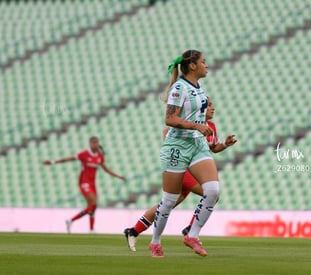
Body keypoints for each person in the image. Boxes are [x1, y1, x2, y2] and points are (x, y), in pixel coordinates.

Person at [123, 97, 237, 252]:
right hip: (183, 168)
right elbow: (167, 131)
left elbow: (213, 148)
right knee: (210, 194)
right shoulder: (190, 122)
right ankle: (190, 231)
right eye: (209, 105)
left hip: (194, 171)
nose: (213, 108)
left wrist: (225, 144)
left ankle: (134, 230)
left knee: (168, 204)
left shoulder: (211, 126)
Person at [144, 49, 221, 258]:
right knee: (169, 200)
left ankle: (192, 235)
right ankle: (155, 241)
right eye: (203, 62)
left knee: (213, 190)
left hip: (197, 145)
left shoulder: (200, 87)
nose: (207, 65)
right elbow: (169, 119)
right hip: (177, 146)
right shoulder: (179, 88)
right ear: (193, 66)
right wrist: (197, 126)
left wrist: (215, 138)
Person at [43, 136, 126, 233]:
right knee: (94, 204)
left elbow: (106, 169)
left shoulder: (100, 156)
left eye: (96, 142)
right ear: (90, 144)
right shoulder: (84, 154)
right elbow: (70, 159)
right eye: (93, 142)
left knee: (92, 206)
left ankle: (90, 229)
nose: (95, 144)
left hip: (92, 184)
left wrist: (119, 176)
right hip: (84, 182)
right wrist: (53, 162)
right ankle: (71, 220)